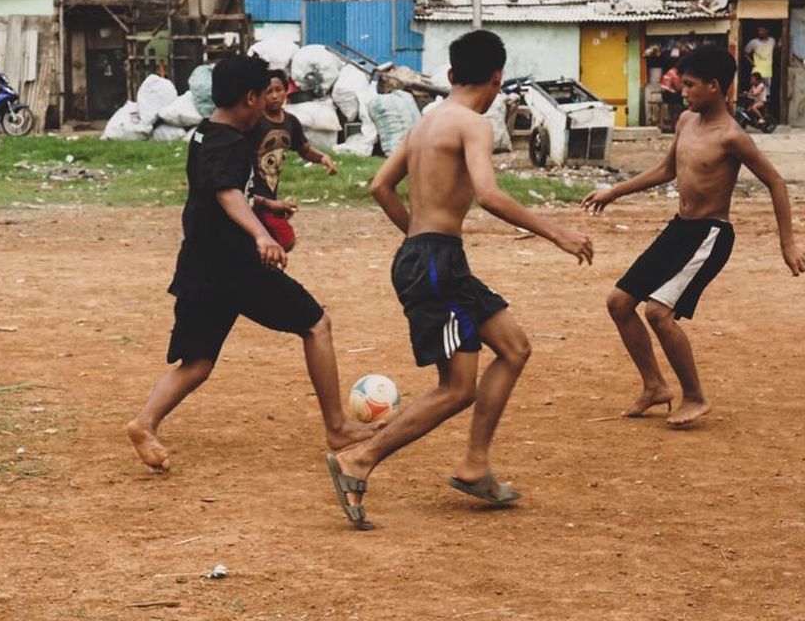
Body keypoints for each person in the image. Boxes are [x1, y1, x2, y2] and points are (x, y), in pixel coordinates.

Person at [325, 30, 593, 528]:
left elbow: (381, 186)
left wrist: (417, 236)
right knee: (456, 388)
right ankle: (358, 460)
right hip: (435, 262)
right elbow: (489, 195)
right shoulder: (473, 124)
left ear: (450, 76)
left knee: (514, 347)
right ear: (497, 79)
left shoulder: (426, 123)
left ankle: (474, 465)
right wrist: (555, 231)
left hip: (434, 258)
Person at [126, 55, 376, 473]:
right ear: (250, 97)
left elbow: (228, 190)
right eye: (264, 95)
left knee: (198, 363)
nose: (268, 104)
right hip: (235, 266)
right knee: (316, 324)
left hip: (200, 267)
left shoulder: (205, 135)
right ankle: (337, 427)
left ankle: (144, 423)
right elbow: (226, 192)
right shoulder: (231, 144)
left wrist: (266, 204)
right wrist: (261, 234)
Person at [583, 47, 804, 427]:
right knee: (619, 303)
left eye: (689, 85)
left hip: (710, 234)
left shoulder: (731, 136)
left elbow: (776, 183)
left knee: (658, 312)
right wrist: (613, 191)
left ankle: (696, 396)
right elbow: (665, 170)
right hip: (679, 228)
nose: (681, 92)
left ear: (714, 87)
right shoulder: (686, 121)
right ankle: (654, 387)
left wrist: (788, 243)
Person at [246, 69, 338, 251]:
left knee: (269, 239)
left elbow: (303, 148)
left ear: (286, 91)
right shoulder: (253, 121)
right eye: (269, 91)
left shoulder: (291, 122)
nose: (274, 96)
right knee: (284, 239)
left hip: (270, 192)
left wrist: (322, 157)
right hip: (252, 193)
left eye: (278, 90)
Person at [743, 26, 779, 91]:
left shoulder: (772, 40)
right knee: (756, 93)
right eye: (759, 31)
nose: (760, 32)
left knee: (766, 94)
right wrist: (752, 63)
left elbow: (774, 53)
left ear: (767, 31)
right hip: (756, 72)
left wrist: (779, 46)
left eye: (762, 30)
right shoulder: (753, 42)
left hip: (768, 72)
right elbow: (745, 52)